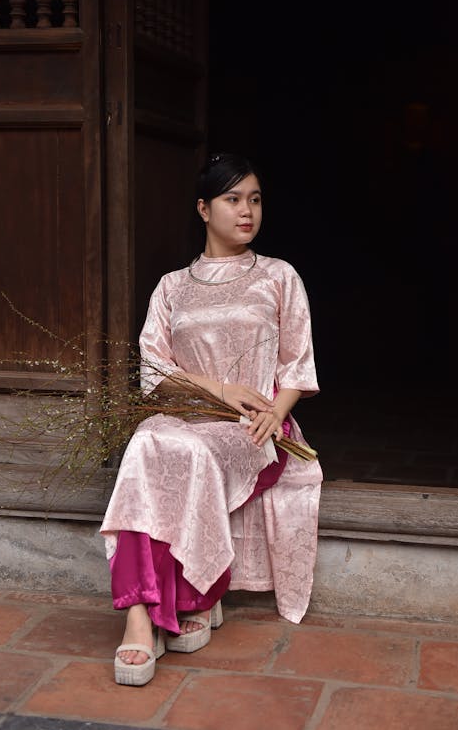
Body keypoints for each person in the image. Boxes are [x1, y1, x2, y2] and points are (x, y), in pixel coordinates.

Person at [100, 152, 323, 686]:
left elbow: (297, 364)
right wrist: (220, 389)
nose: (246, 211)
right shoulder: (172, 286)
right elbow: (154, 371)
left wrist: (275, 413)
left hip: (253, 429)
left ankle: (188, 597)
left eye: (255, 199)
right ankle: (145, 612)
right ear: (203, 209)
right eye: (232, 199)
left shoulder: (278, 276)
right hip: (183, 413)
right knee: (146, 444)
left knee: (189, 452)